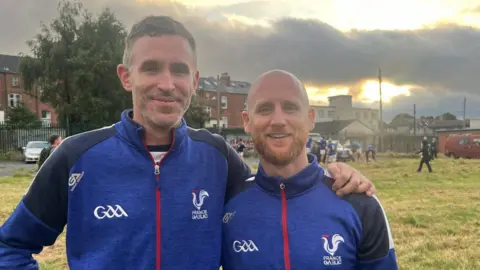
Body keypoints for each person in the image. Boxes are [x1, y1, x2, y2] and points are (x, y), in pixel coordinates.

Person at [0, 16, 376, 270]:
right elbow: (9, 247)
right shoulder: (77, 157)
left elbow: (273, 194)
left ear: (194, 80)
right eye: (151, 68)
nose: (167, 83)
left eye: (179, 70)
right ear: (126, 76)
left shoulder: (217, 157)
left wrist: (337, 176)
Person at [221, 70, 398, 270]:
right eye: (264, 109)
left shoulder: (359, 202)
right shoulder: (225, 203)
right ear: (246, 121)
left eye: (290, 108)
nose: (278, 120)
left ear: (311, 118)